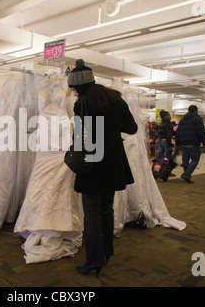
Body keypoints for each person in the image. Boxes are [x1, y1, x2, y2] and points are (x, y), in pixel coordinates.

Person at [67, 59, 138, 277]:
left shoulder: (83, 104)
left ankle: (93, 261)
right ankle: (106, 253)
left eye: (73, 89)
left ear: (78, 86)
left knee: (92, 212)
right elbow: (132, 128)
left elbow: (81, 139)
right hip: (114, 161)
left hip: (93, 161)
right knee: (107, 207)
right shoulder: (115, 98)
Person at [175, 105, 205, 183]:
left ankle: (187, 176)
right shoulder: (197, 119)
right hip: (193, 143)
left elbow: (178, 132)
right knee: (195, 159)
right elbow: (201, 132)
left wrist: (177, 143)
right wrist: (204, 142)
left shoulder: (182, 120)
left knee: (185, 160)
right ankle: (186, 174)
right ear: (196, 111)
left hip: (184, 144)